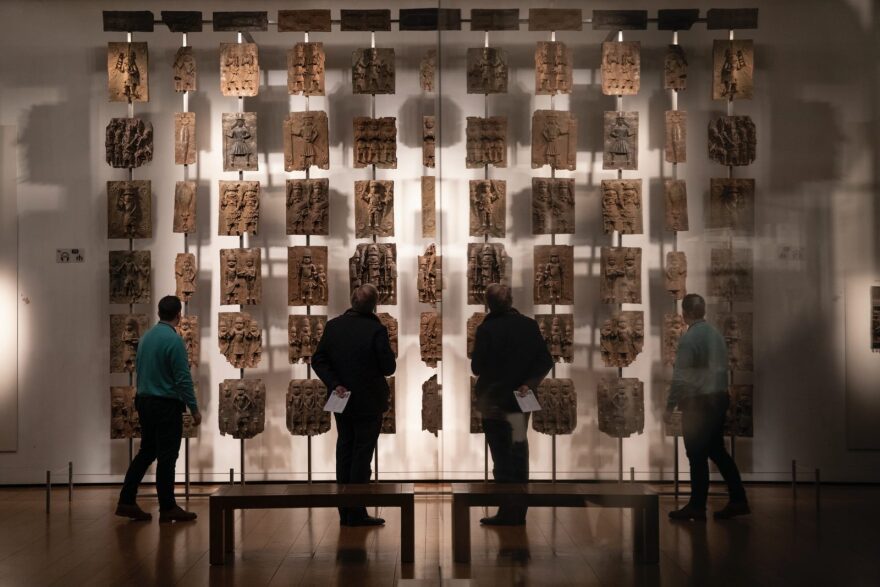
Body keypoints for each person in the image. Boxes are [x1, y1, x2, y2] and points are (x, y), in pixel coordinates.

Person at [312, 284, 396, 527]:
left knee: (345, 451)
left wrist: (335, 383)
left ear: (352, 302)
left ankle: (345, 510)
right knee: (361, 456)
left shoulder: (334, 326)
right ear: (374, 305)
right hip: (369, 401)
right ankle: (357, 510)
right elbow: (388, 367)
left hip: (343, 398)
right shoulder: (375, 329)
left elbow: (319, 359)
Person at [471, 283, 554, 526]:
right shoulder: (528, 325)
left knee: (501, 456)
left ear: (489, 304)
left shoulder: (487, 329)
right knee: (518, 452)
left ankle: (507, 509)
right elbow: (544, 360)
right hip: (519, 399)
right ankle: (518, 511)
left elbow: (477, 367)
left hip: (495, 401)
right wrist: (529, 383)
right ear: (511, 300)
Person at [117, 296, 201, 523]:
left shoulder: (146, 338)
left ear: (158, 313)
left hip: (144, 401)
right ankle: (168, 506)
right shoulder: (174, 341)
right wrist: (194, 408)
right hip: (165, 404)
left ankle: (126, 500)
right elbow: (183, 379)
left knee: (147, 452)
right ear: (179, 315)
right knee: (167, 456)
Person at [666, 293, 749, 521]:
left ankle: (697, 505)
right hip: (718, 398)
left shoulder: (689, 339)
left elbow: (680, 377)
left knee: (696, 454)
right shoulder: (716, 334)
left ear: (686, 313)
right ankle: (738, 498)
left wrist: (669, 406)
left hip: (698, 402)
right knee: (717, 451)